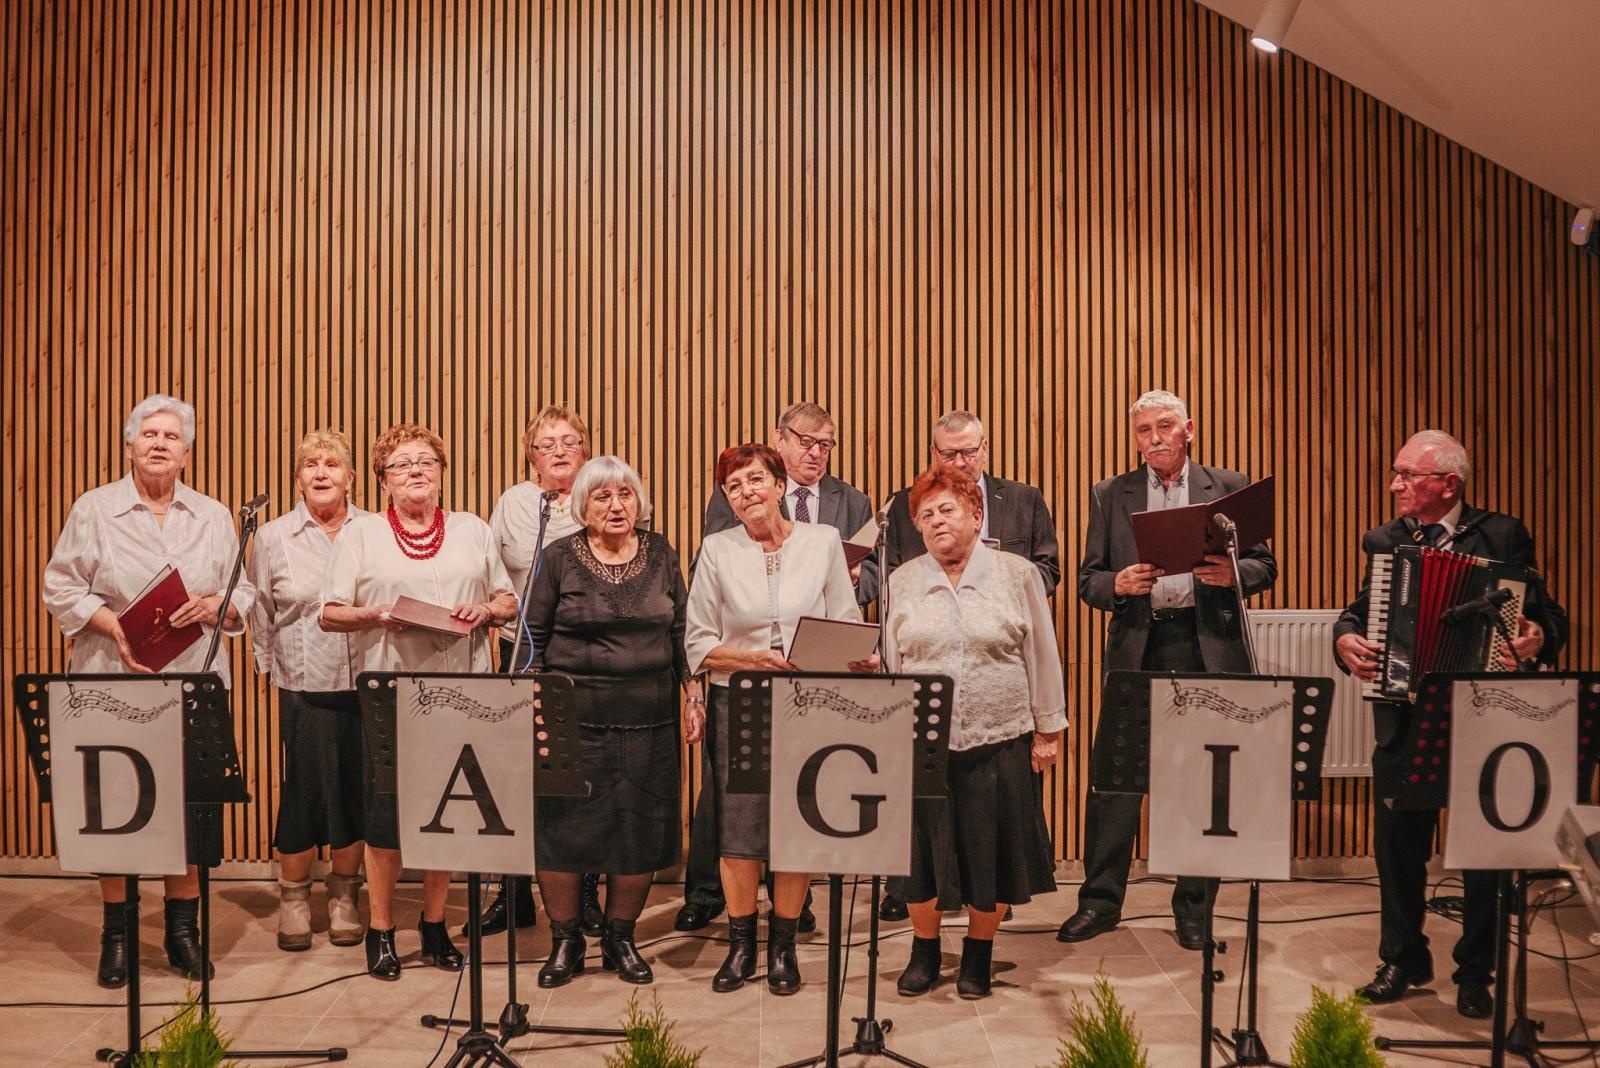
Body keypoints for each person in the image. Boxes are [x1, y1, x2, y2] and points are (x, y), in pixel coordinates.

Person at [1333, 430, 1567, 1018]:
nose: (1395, 486)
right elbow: (1361, 609)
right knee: (1398, 845)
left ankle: (1475, 971)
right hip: (1403, 710)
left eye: (1407, 475)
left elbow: (1545, 614)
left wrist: (1538, 637)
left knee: (1481, 849)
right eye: (1397, 474)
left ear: (1448, 484)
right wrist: (1344, 638)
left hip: (1480, 715)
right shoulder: (1387, 541)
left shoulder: (1502, 535)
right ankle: (1403, 956)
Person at [43, 393, 256, 988]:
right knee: (115, 807)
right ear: (130, 444)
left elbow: (246, 596)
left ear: (187, 452)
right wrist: (115, 627)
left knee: (187, 804)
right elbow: (60, 587)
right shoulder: (94, 509)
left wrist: (217, 604)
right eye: (149, 434)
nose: (159, 443)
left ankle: (183, 931)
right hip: (112, 678)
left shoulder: (213, 515)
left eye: (172, 436)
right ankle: (117, 931)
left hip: (191, 681)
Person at [1056, 390, 1277, 951]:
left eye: (1164, 426)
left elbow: (1265, 564)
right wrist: (1116, 585)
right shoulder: (1111, 494)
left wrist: (1235, 575)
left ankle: (1194, 908)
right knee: (1115, 783)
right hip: (1140, 646)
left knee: (1199, 781)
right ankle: (1100, 902)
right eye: (1142, 430)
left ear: (1189, 430)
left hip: (1207, 649)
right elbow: (1088, 578)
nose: (1153, 437)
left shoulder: (1227, 487)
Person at [319, 422, 518, 980]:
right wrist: (380, 615)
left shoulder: (472, 530)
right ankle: (381, 929)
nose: (415, 471)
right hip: (394, 694)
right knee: (389, 819)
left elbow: (506, 598)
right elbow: (330, 612)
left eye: (426, 462)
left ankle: (434, 926)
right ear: (382, 480)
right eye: (402, 463)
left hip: (465, 693)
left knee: (449, 815)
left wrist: (488, 611)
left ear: (441, 474)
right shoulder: (359, 537)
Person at [677, 401, 877, 933]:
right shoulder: (717, 549)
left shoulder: (823, 542)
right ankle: (742, 942)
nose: (747, 492)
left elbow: (844, 618)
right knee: (739, 832)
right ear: (727, 499)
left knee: (797, 826)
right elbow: (697, 643)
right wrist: (750, 660)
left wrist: (861, 656)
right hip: (737, 703)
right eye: (735, 486)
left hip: (807, 705)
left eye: (756, 480)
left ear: (779, 484)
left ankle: (784, 941)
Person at [883, 465, 1065, 998]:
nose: (936, 521)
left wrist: (1048, 729)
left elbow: (1042, 657)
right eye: (925, 515)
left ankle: (979, 955)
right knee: (918, 859)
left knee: (992, 855)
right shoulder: (902, 580)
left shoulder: (1017, 574)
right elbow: (893, 663)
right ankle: (924, 948)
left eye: (947, 509)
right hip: (921, 746)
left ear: (976, 514)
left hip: (1000, 738)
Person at [523, 456, 702, 987]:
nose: (616, 505)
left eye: (625, 494)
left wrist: (693, 693)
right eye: (602, 496)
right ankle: (566, 941)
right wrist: (531, 705)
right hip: (570, 721)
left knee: (638, 830)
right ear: (583, 504)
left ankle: (620, 938)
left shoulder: (662, 552)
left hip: (649, 720)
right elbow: (531, 636)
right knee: (561, 832)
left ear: (639, 501)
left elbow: (681, 631)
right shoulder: (557, 556)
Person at [248, 429, 370, 952]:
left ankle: (345, 893)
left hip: (366, 683)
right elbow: (259, 611)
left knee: (355, 791)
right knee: (302, 792)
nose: (321, 473)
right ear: (297, 477)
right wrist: (264, 668)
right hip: (302, 683)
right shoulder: (274, 536)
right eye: (310, 465)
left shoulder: (374, 529)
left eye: (332, 464)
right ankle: (294, 895)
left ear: (350, 477)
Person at [475, 405, 592, 937]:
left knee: (579, 776)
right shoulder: (516, 503)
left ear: (585, 448)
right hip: (519, 648)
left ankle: (585, 892)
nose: (560, 451)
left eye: (569, 441)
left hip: (585, 654)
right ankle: (512, 892)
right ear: (531, 457)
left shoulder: (606, 489)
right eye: (547, 444)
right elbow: (494, 572)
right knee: (514, 773)